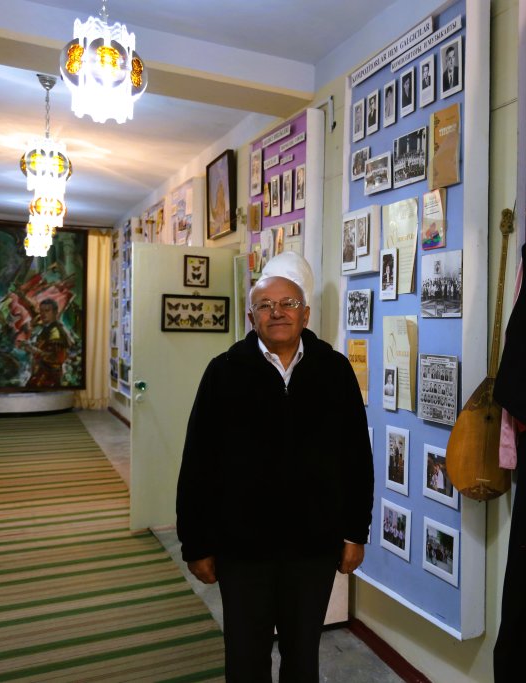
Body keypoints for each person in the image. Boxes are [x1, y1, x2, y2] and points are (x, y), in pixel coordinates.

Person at [176, 251, 373, 682]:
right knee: (245, 656)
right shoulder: (223, 373)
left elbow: (357, 458)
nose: (277, 312)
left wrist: (356, 532)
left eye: (287, 304)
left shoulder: (335, 371)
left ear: (305, 314)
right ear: (252, 317)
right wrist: (196, 544)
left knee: (303, 656)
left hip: (313, 548)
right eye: (266, 305)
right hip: (242, 550)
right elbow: (197, 465)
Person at [25, 298, 72, 387]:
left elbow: (57, 359)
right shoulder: (48, 327)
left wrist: (35, 351)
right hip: (41, 373)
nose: (43, 314)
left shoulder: (55, 332)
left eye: (47, 311)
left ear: (55, 313)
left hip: (49, 377)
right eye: (41, 311)